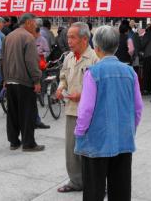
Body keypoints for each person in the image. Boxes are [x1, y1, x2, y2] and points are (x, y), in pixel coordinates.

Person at [74, 25, 144, 201]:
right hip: (123, 137)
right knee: (121, 189)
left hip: (97, 140)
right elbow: (138, 107)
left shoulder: (93, 73)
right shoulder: (130, 72)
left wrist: (79, 131)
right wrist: (131, 128)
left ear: (96, 48)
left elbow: (86, 109)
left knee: (94, 190)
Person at [55, 22, 99, 193]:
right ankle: (76, 181)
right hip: (72, 110)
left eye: (72, 37)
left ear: (85, 39)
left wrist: (83, 95)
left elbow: (98, 85)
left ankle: (94, 182)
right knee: (72, 148)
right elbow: (63, 76)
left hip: (90, 112)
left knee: (90, 149)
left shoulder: (95, 58)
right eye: (68, 37)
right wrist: (60, 88)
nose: (69, 41)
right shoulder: (69, 57)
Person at [1, 13, 45, 151]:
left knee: (12, 113)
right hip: (24, 81)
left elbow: (2, 59)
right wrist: (37, 80)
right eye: (35, 24)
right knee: (28, 113)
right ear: (29, 23)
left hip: (10, 80)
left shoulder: (8, 36)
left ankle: (14, 142)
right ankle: (28, 143)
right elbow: (31, 62)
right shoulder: (28, 37)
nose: (36, 26)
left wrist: (5, 78)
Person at [140, 25, 151, 95]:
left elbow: (142, 44)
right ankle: (150, 88)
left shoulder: (148, 34)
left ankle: (146, 89)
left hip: (148, 55)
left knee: (146, 73)